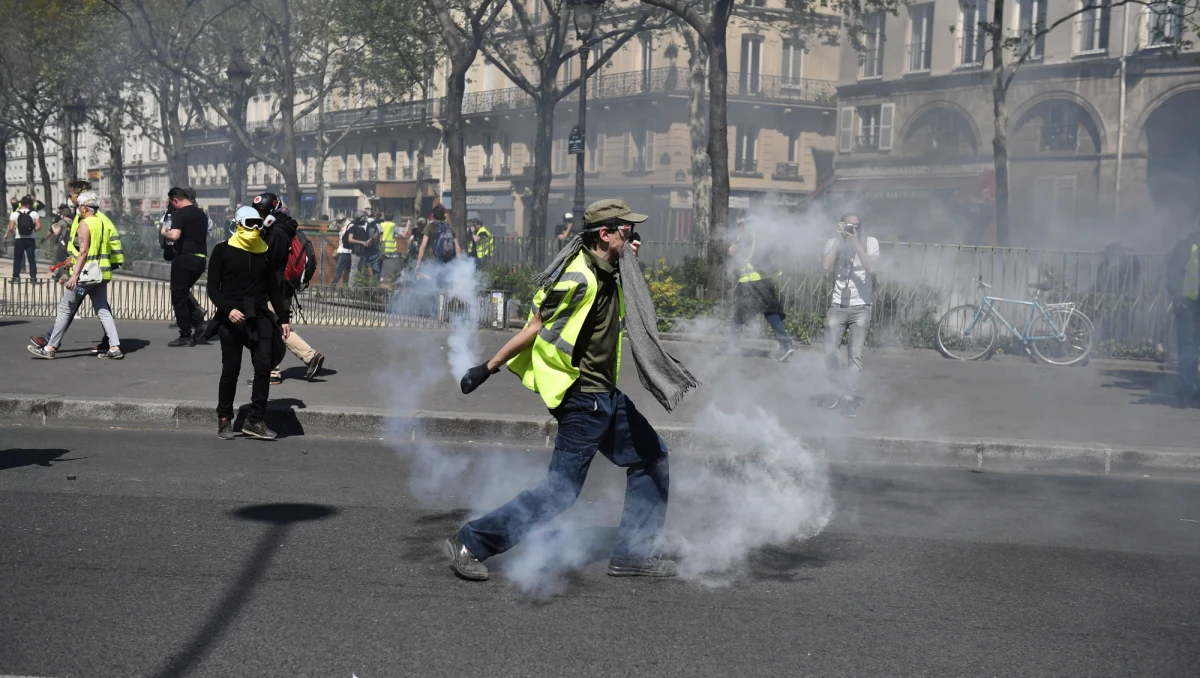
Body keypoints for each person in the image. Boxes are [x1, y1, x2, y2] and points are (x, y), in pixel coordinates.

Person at [450, 198, 675, 582]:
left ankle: (633, 554)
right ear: (605, 234)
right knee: (560, 493)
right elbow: (536, 325)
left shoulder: (608, 268)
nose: (633, 235)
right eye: (626, 230)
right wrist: (486, 368)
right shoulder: (579, 278)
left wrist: (629, 257)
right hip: (582, 399)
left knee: (652, 458)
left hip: (605, 397)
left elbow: (617, 284)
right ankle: (472, 541)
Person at [205, 205, 290, 441]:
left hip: (259, 315)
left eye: (258, 224)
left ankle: (255, 420)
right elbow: (213, 288)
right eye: (249, 224)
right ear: (239, 224)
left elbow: (274, 288)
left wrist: (283, 318)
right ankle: (224, 419)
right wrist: (228, 309)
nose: (254, 228)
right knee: (230, 370)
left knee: (264, 366)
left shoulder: (265, 252)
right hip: (231, 315)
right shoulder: (223, 250)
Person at [28, 181, 125, 353]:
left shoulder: (86, 222)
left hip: (85, 272)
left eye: (73, 197)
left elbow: (85, 250)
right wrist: (72, 259)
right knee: (101, 308)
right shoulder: (98, 220)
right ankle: (113, 346)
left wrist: (75, 272)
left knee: (67, 309)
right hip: (99, 272)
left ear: (84, 203)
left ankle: (50, 345)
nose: (73, 201)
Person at [246, 192, 326, 386]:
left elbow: (270, 262)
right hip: (279, 286)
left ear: (272, 211)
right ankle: (273, 371)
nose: (260, 215)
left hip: (276, 288)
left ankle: (309, 356)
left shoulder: (277, 232)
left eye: (263, 212)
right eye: (258, 211)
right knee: (271, 327)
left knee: (272, 327)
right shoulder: (280, 227)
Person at [820, 213, 879, 418]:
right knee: (829, 352)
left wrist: (855, 243)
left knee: (855, 357)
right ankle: (835, 390)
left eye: (856, 226)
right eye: (848, 226)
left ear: (862, 227)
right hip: (838, 305)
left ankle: (848, 398)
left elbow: (871, 267)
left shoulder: (870, 243)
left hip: (861, 307)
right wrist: (839, 240)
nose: (852, 229)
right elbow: (826, 265)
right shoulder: (833, 241)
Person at [726, 217, 793, 362]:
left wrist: (736, 250)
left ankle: (731, 345)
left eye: (740, 224)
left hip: (750, 282)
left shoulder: (747, 234)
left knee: (739, 315)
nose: (739, 227)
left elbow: (732, 251)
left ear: (744, 224)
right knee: (770, 312)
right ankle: (785, 345)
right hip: (765, 281)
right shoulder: (764, 235)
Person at [161, 187, 210, 347]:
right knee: (183, 292)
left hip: (184, 259)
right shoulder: (201, 213)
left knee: (178, 296)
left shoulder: (179, 213)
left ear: (175, 199)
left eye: (171, 203)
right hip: (200, 259)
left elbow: (174, 235)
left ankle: (185, 335)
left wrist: (164, 232)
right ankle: (198, 321)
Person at [1166, 227, 1200, 404]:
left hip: (1187, 301)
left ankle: (1190, 387)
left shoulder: (1186, 244)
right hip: (1189, 301)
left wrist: (1175, 295)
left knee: (1187, 345)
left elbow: (1173, 273)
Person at [414, 204, 460, 274]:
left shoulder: (430, 227)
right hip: (449, 261)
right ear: (443, 215)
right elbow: (457, 248)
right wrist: (459, 264)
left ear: (433, 215)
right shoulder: (449, 228)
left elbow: (423, 246)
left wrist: (418, 263)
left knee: (435, 282)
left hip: (434, 260)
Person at [6, 196, 41, 281]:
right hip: (30, 239)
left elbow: (10, 228)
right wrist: (32, 231)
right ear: (28, 204)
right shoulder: (34, 214)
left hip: (19, 239)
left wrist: (15, 233)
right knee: (31, 259)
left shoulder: (14, 214)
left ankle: (16, 277)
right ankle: (33, 278)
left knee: (17, 258)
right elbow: (39, 226)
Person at [45, 204, 73, 281]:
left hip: (63, 244)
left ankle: (64, 274)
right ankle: (69, 274)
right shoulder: (73, 221)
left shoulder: (61, 222)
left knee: (60, 260)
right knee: (69, 259)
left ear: (62, 213)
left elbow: (56, 233)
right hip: (71, 244)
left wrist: (54, 226)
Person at [346, 213, 370, 286]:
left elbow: (365, 241)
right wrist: (361, 242)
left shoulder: (362, 229)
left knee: (360, 271)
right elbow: (350, 239)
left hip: (362, 253)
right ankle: (350, 288)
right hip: (355, 252)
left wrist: (371, 240)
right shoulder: (353, 228)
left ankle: (358, 288)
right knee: (354, 271)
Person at [379, 212, 403, 286]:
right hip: (391, 251)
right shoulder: (393, 225)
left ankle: (381, 285)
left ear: (385, 218)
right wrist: (408, 226)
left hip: (381, 250)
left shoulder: (381, 225)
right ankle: (391, 285)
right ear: (392, 218)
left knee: (382, 271)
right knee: (391, 272)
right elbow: (403, 235)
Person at [363, 209, 383, 281]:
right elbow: (380, 239)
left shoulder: (364, 224)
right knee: (376, 269)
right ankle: (375, 287)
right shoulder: (378, 225)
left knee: (364, 268)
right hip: (375, 249)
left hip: (364, 249)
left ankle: (364, 285)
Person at [333, 217, 353, 286]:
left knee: (339, 269)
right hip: (343, 251)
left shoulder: (349, 227)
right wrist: (336, 223)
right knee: (347, 270)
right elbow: (331, 227)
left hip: (346, 252)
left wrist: (341, 228)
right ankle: (346, 286)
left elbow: (347, 236)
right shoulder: (343, 226)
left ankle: (333, 285)